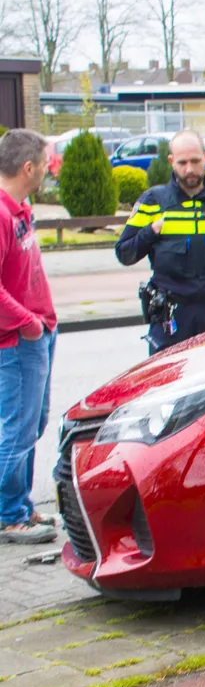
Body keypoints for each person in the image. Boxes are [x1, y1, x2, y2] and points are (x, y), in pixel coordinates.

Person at [115, 130, 205, 354]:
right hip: (172, 317)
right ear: (172, 161)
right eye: (182, 163)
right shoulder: (153, 202)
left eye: (195, 161)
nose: (189, 169)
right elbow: (124, 253)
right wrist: (152, 230)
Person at [0, 129, 58, 545]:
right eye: (44, 164)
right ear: (27, 167)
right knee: (17, 430)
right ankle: (9, 515)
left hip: (38, 333)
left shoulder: (20, 209)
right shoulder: (2, 216)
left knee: (33, 424)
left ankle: (19, 502)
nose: (47, 170)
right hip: (19, 341)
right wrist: (28, 323)